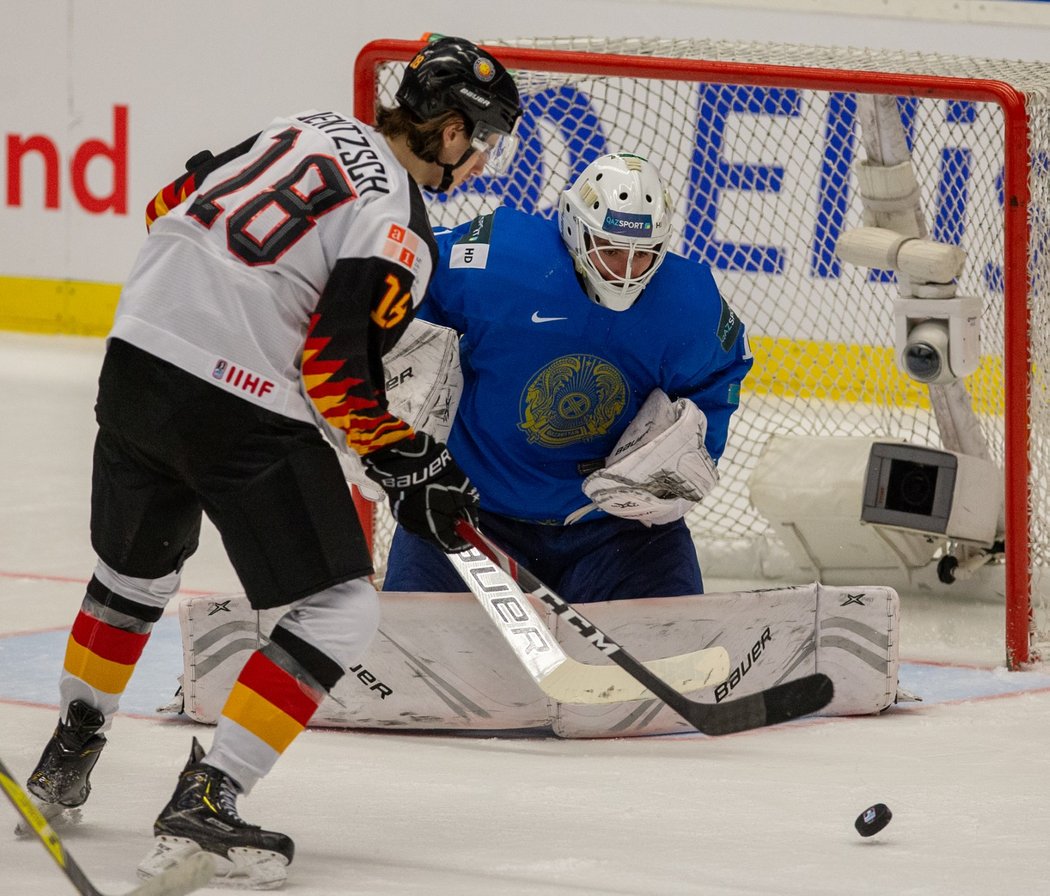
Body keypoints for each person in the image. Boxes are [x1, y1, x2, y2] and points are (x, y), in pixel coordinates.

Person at [24, 36, 521, 889]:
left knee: (131, 575)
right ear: (446, 131)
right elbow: (333, 373)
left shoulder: (301, 126)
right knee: (338, 611)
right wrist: (404, 458)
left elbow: (165, 206)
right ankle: (209, 796)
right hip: (232, 401)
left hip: (136, 359)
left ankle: (68, 753)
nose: (478, 161)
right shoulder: (400, 224)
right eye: (480, 142)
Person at [382, 152, 753, 603]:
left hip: (616, 532)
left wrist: (689, 455)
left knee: (674, 651)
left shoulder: (689, 306)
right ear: (576, 230)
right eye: (612, 249)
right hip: (466, 511)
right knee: (412, 657)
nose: (628, 269)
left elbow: (723, 372)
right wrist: (381, 409)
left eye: (644, 254)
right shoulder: (500, 260)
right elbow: (406, 282)